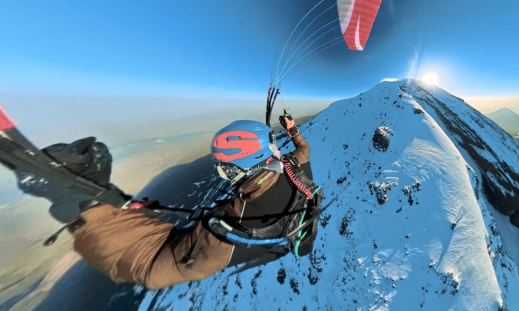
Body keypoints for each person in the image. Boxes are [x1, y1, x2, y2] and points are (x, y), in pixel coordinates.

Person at [0, 116, 323, 289]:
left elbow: (148, 266)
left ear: (245, 164)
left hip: (272, 239)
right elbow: (303, 151)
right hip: (297, 221)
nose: (223, 174)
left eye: (226, 168)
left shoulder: (228, 231)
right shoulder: (291, 168)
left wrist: (88, 206)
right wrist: (293, 131)